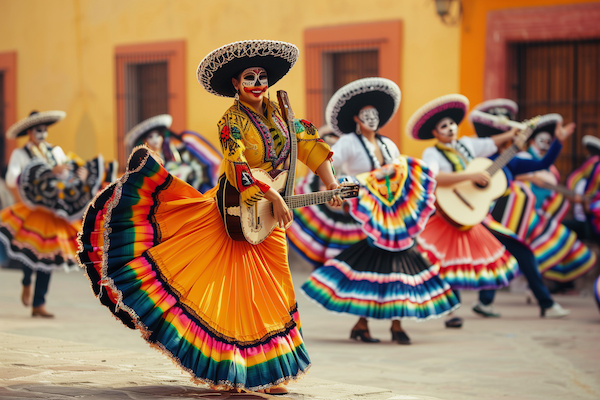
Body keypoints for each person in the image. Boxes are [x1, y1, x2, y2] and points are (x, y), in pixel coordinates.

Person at [77, 39, 341, 395]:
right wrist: (271, 193)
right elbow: (237, 166)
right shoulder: (229, 121)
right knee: (231, 291)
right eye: (250, 76)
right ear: (235, 83)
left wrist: (332, 184)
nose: (258, 83)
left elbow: (310, 145)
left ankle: (271, 373)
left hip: (269, 220)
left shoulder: (285, 117)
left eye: (263, 76)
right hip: (235, 210)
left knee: (276, 290)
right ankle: (227, 371)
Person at [301, 78, 459, 345]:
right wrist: (334, 187)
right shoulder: (349, 142)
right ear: (356, 118)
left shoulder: (388, 144)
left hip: (393, 214)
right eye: (366, 115)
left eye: (375, 115)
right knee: (383, 265)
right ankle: (385, 325)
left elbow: (400, 170)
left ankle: (376, 324)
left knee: (393, 266)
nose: (371, 119)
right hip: (365, 213)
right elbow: (326, 162)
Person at [407, 94, 519, 328]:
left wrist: (515, 135)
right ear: (435, 134)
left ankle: (476, 302)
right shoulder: (432, 154)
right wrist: (469, 176)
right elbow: (435, 177)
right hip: (445, 215)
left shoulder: (468, 144)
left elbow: (493, 143)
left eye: (451, 124)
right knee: (446, 261)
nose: (449, 128)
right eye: (443, 126)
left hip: (469, 212)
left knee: (464, 259)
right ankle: (451, 310)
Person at [468, 99, 573, 318]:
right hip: (480, 216)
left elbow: (541, 165)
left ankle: (486, 302)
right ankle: (546, 304)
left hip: (499, 220)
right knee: (520, 255)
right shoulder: (475, 158)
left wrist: (558, 143)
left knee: (503, 256)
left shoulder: (510, 161)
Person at [0, 110, 104, 318]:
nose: (43, 133)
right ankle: (27, 280)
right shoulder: (21, 154)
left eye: (45, 129)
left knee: (48, 255)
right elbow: (11, 179)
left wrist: (79, 173)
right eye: (39, 130)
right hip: (32, 211)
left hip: (54, 212)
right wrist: (42, 175)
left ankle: (39, 303)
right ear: (30, 131)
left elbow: (67, 174)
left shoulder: (55, 152)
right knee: (30, 250)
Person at [516, 115, 596, 289]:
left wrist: (578, 198)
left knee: (564, 241)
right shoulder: (523, 157)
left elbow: (552, 185)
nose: (544, 143)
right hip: (525, 215)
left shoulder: (548, 166)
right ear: (531, 141)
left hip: (545, 214)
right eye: (541, 139)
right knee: (554, 239)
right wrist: (532, 177)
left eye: (548, 140)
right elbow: (520, 176)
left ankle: (553, 286)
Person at [124, 114, 221, 192]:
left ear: (162, 136)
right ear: (145, 140)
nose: (155, 140)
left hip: (192, 193)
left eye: (158, 135)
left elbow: (199, 168)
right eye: (150, 137)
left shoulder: (177, 150)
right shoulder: (145, 161)